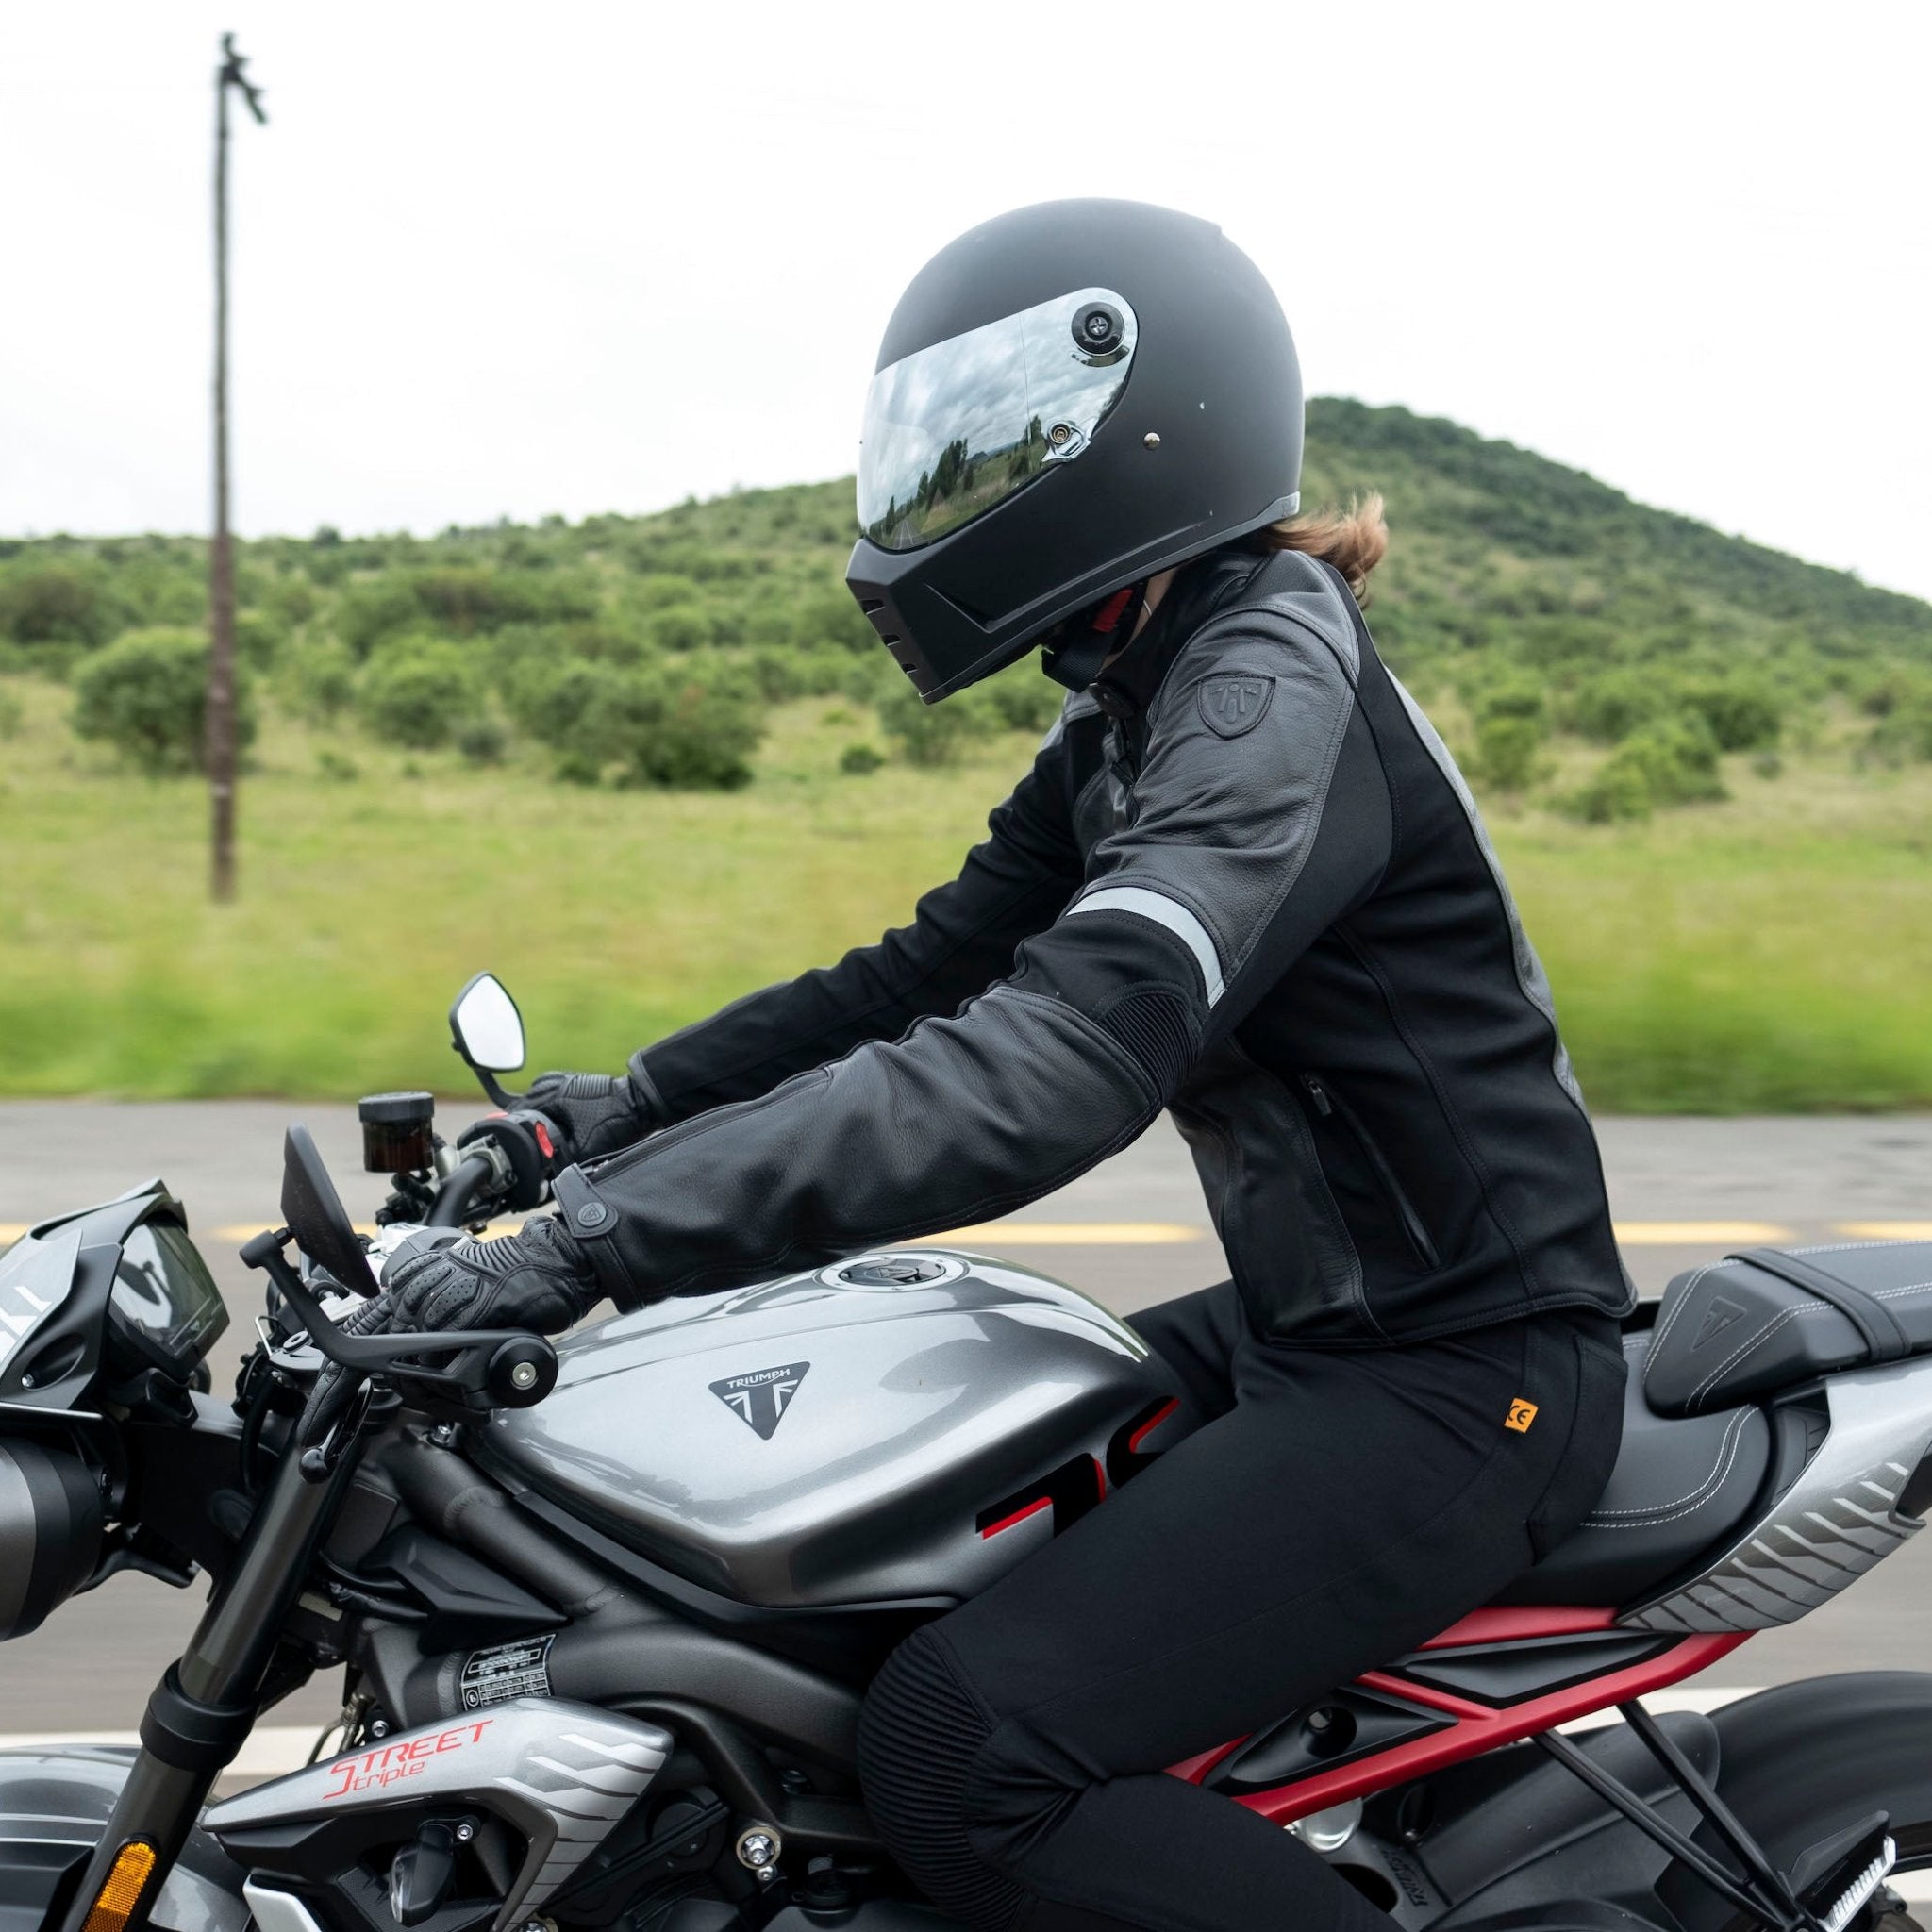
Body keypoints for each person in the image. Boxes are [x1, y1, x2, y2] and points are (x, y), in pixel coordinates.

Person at [363, 199, 1634, 1931]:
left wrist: (599, 1241)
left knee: (964, 1754)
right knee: (823, 1593)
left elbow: (1047, 1061)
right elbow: (926, 972)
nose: (946, 498)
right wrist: (616, 1114)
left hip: (1462, 1375)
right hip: (1308, 1332)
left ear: (1144, 431)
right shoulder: (1140, 686)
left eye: (992, 449)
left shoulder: (1262, 682)